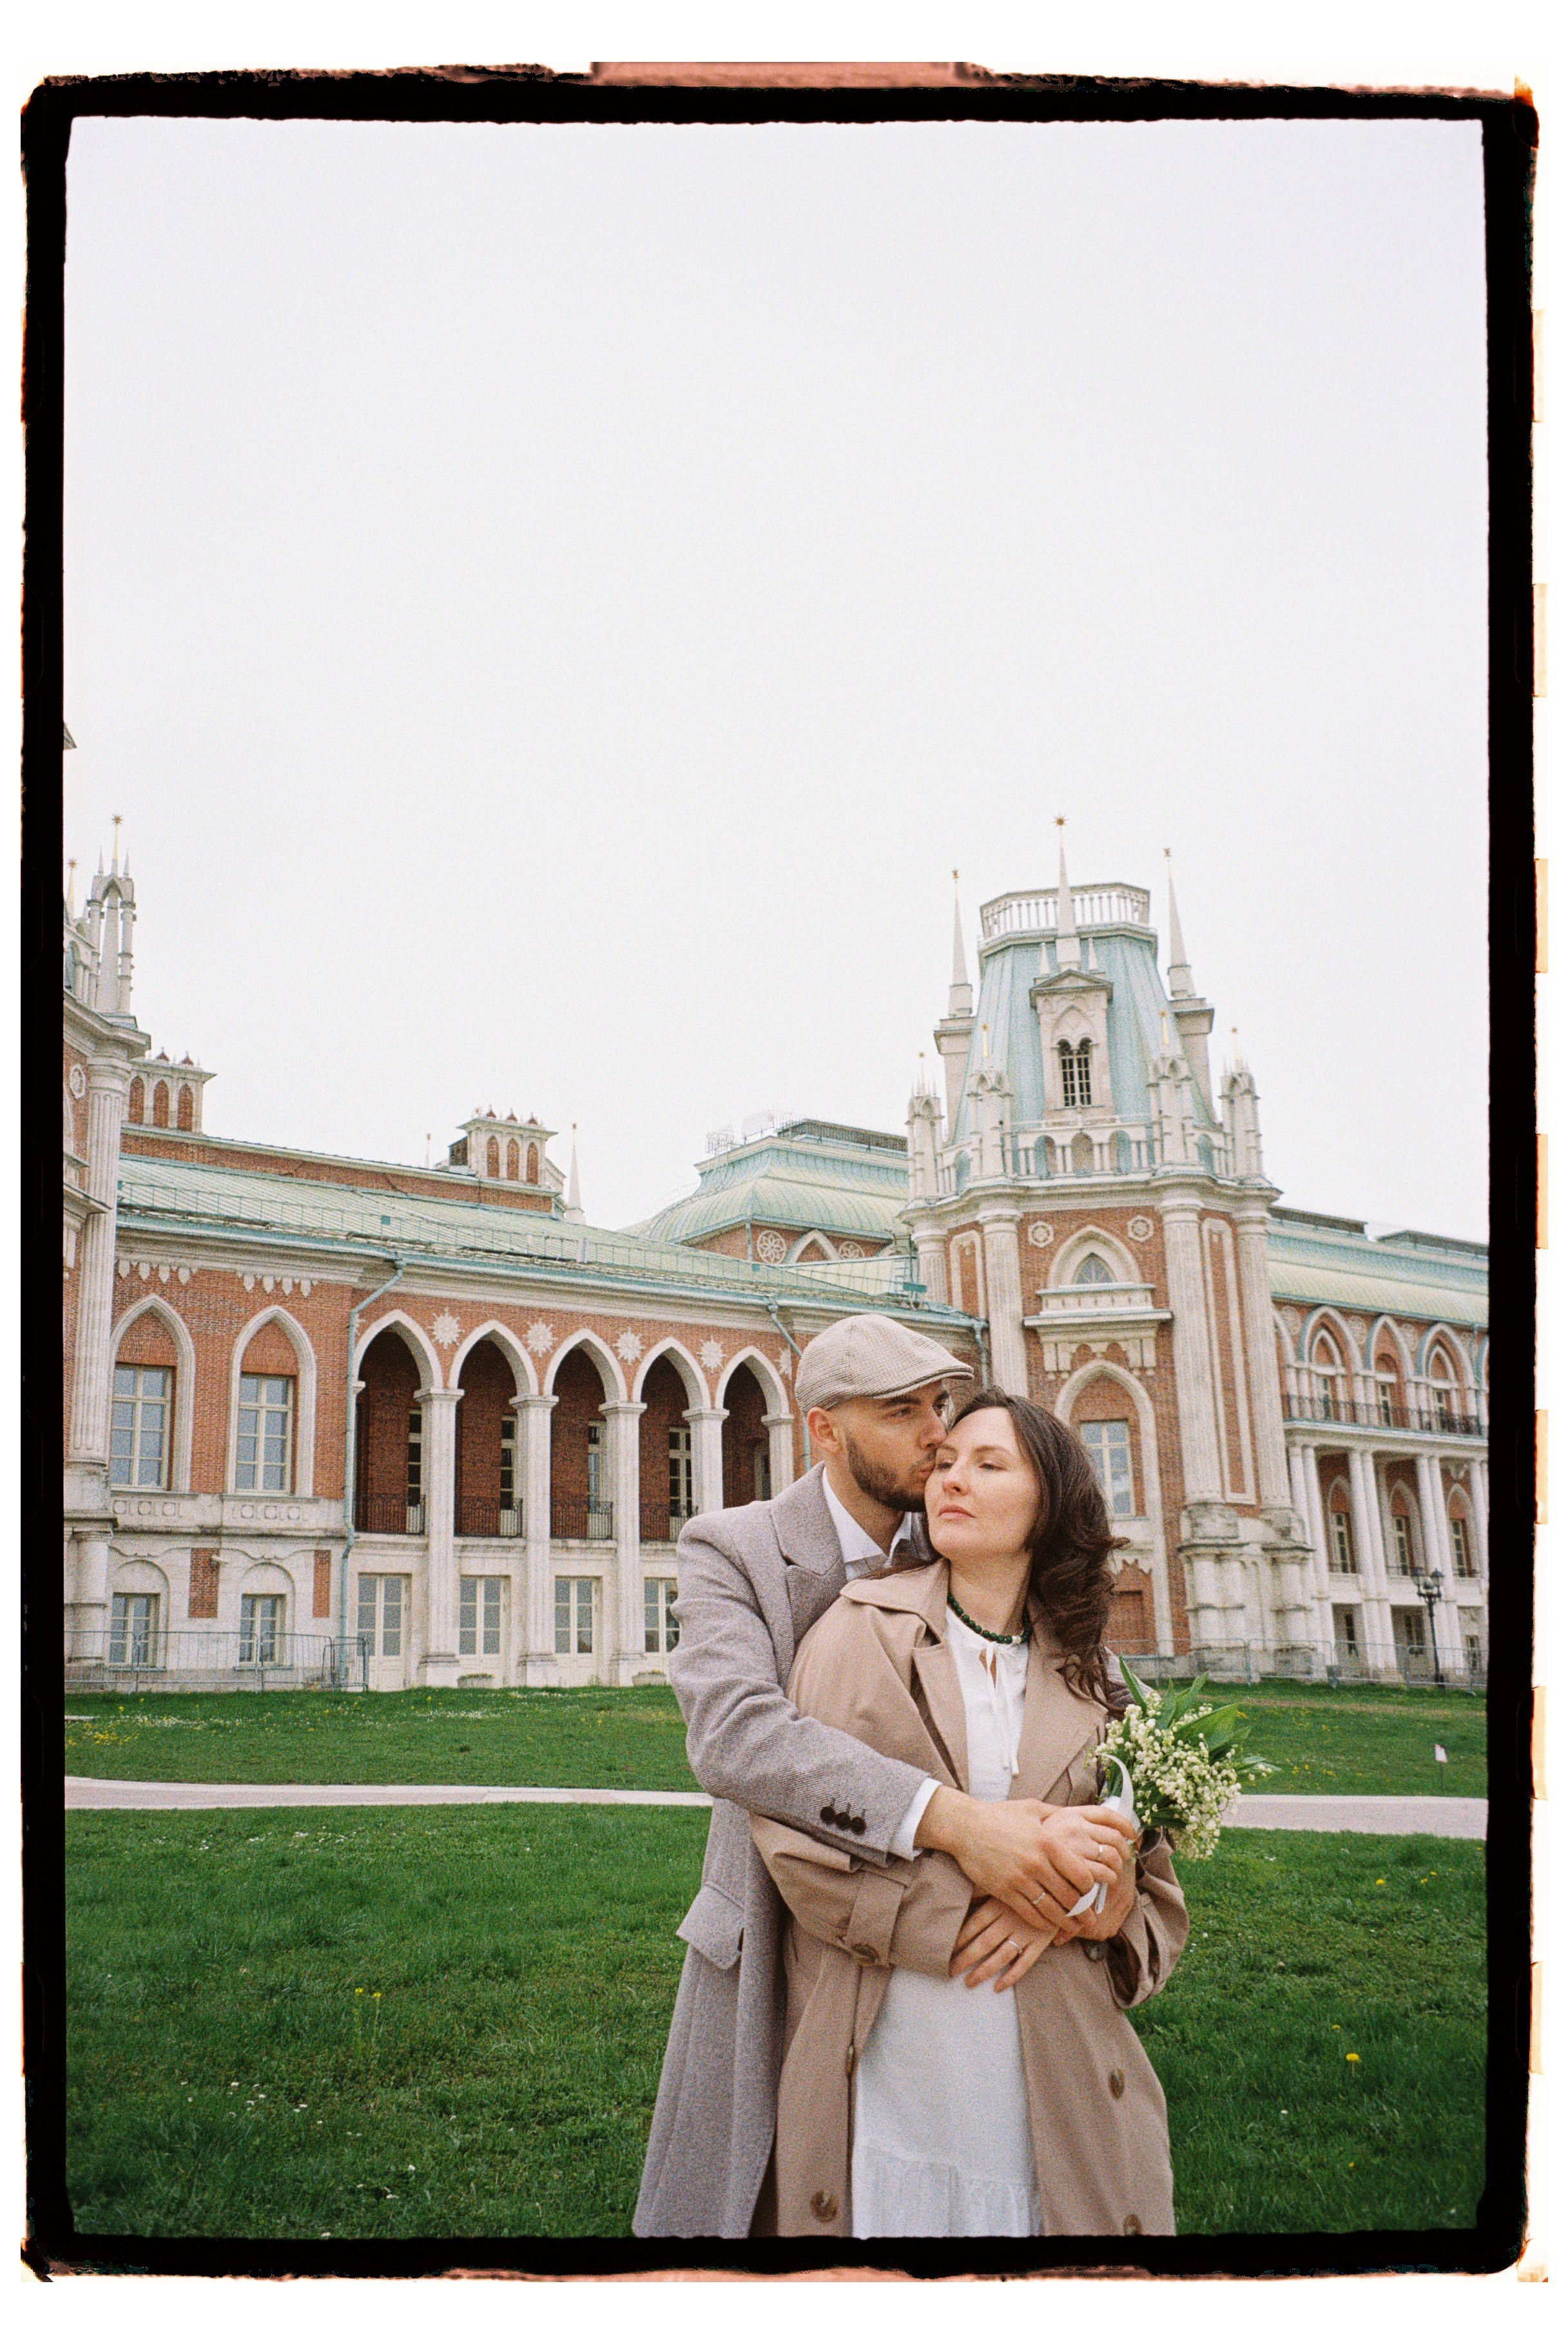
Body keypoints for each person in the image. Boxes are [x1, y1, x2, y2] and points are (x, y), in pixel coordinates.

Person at [633, 1315, 1143, 2240]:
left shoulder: (957, 1532)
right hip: (778, 1914)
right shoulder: (733, 1545)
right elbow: (736, 1735)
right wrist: (962, 1826)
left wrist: (1064, 1888)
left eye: (941, 1404)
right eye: (903, 1410)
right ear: (824, 1429)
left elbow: (1107, 1747)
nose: (938, 1435)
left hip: (968, 1988)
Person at [750, 1386, 1188, 2237]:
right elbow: (797, 1837)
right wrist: (962, 1911)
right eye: (945, 1462)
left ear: (1048, 1500)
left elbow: (1153, 1893)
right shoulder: (859, 1629)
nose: (952, 1479)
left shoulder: (1096, 1673)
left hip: (1056, 2073)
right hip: (899, 2061)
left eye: (988, 1465)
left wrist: (1096, 1911)